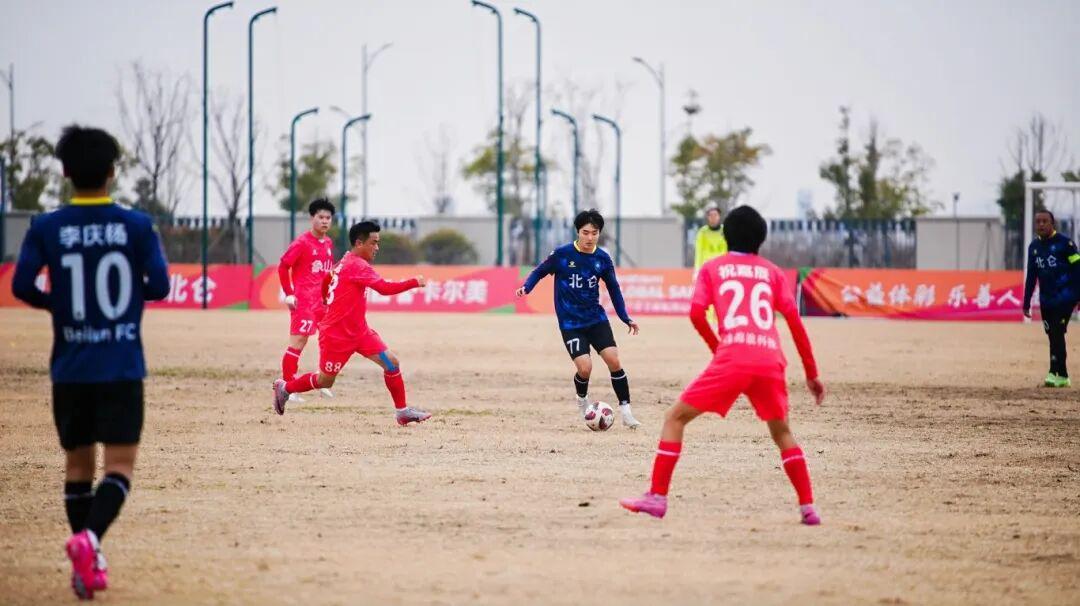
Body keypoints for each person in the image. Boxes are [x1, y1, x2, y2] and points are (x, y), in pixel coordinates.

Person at [12, 125, 170, 599]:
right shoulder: (136, 225)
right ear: (112, 171)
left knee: (78, 467)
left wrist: (57, 305)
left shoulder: (46, 227)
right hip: (120, 364)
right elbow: (160, 285)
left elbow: (21, 286)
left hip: (71, 366)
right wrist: (126, 303)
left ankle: (85, 563)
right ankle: (90, 541)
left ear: (64, 172)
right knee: (119, 467)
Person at [619, 205, 826, 525]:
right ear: (761, 240)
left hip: (733, 357)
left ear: (726, 235)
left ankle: (657, 497)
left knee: (674, 418)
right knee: (782, 431)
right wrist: (811, 375)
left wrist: (718, 349)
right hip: (770, 359)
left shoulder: (713, 268)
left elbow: (696, 314)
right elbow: (795, 324)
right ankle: (808, 507)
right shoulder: (772, 272)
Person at [272, 221, 432, 425]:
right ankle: (285, 388)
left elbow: (327, 278)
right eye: (373, 243)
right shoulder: (357, 265)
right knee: (324, 380)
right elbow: (384, 288)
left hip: (361, 333)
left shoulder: (346, 260)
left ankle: (402, 412)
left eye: (378, 243)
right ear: (359, 243)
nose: (377, 247)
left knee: (391, 363)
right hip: (336, 337)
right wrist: (414, 282)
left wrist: (326, 300)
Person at [516, 209, 642, 428]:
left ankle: (626, 412)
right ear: (578, 232)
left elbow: (614, 289)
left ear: (599, 233)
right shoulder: (562, 254)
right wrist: (527, 287)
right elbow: (539, 271)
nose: (590, 237)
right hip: (570, 323)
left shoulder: (602, 258)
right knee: (585, 368)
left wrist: (625, 317)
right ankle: (582, 400)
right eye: (586, 232)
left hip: (596, 319)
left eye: (594, 233)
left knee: (614, 360)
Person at [278, 198, 336, 402]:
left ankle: (322, 380)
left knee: (329, 339)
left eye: (328, 218)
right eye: (321, 217)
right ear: (312, 218)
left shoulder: (328, 243)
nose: (325, 221)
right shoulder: (302, 243)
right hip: (303, 301)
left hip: (323, 302)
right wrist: (289, 293)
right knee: (298, 341)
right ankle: (287, 387)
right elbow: (283, 266)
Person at [1023, 209, 1080, 388]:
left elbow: (1078, 269)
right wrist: (1026, 301)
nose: (1041, 224)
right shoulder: (1034, 247)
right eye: (1038, 221)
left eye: (1044, 221)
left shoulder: (1065, 244)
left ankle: (1058, 373)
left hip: (1066, 297)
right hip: (1046, 300)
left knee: (1056, 332)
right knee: (1052, 335)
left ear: (1052, 223)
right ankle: (1058, 373)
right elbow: (1031, 276)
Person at [694, 206, 729, 324]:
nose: (713, 218)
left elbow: (728, 249)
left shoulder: (725, 231)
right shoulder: (702, 233)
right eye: (710, 215)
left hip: (721, 270)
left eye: (715, 215)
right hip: (707, 270)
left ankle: (722, 320)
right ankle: (708, 322)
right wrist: (697, 270)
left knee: (721, 296)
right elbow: (699, 251)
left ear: (719, 216)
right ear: (708, 217)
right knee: (707, 296)